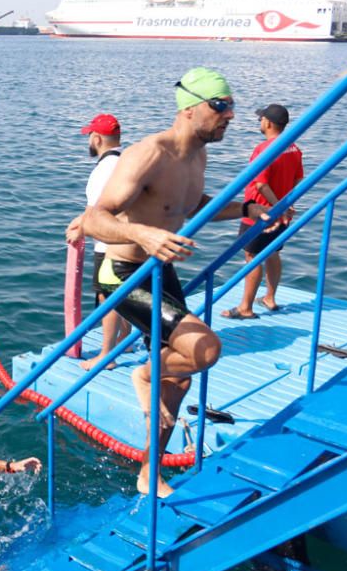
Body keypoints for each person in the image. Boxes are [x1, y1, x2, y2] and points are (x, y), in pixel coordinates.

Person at [82, 67, 272, 497]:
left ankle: (150, 473)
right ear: (189, 109)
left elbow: (188, 203)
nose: (230, 115)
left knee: (181, 378)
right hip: (124, 274)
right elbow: (96, 218)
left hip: (160, 270)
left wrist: (246, 209)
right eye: (220, 106)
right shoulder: (148, 154)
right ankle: (143, 376)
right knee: (204, 349)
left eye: (231, 107)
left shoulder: (196, 156)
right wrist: (141, 233)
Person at [221, 104, 303, 320]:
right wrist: (287, 202)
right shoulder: (293, 148)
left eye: (261, 119)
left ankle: (245, 308)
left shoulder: (264, 149)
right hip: (281, 213)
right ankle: (270, 298)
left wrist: (277, 208)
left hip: (261, 213)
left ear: (268, 123)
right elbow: (298, 178)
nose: (259, 123)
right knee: (273, 252)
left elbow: (260, 185)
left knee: (252, 256)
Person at [65, 113, 132, 371]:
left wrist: (81, 230)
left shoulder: (102, 170)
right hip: (130, 240)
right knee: (125, 292)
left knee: (107, 296)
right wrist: (81, 219)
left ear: (97, 138)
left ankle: (106, 354)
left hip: (109, 244)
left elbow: (98, 211)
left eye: (90, 138)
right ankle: (125, 340)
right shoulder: (126, 163)